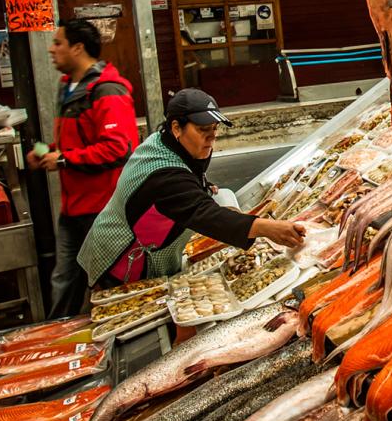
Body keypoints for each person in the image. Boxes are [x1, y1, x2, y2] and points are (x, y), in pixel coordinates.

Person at [77, 89, 304, 287]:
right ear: (177, 127)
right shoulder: (163, 173)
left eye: (215, 128)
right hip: (121, 259)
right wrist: (267, 228)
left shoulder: (168, 140)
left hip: (152, 244)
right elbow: (203, 213)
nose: (212, 137)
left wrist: (202, 185)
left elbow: (190, 181)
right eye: (203, 129)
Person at [26, 20, 138, 318]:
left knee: (109, 282)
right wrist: (47, 153)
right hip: (72, 208)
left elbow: (119, 147)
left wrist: (63, 160)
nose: (51, 49)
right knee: (64, 282)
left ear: (78, 48)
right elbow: (75, 141)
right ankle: (55, 346)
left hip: (102, 209)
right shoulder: (68, 86)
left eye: (58, 43)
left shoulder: (107, 90)